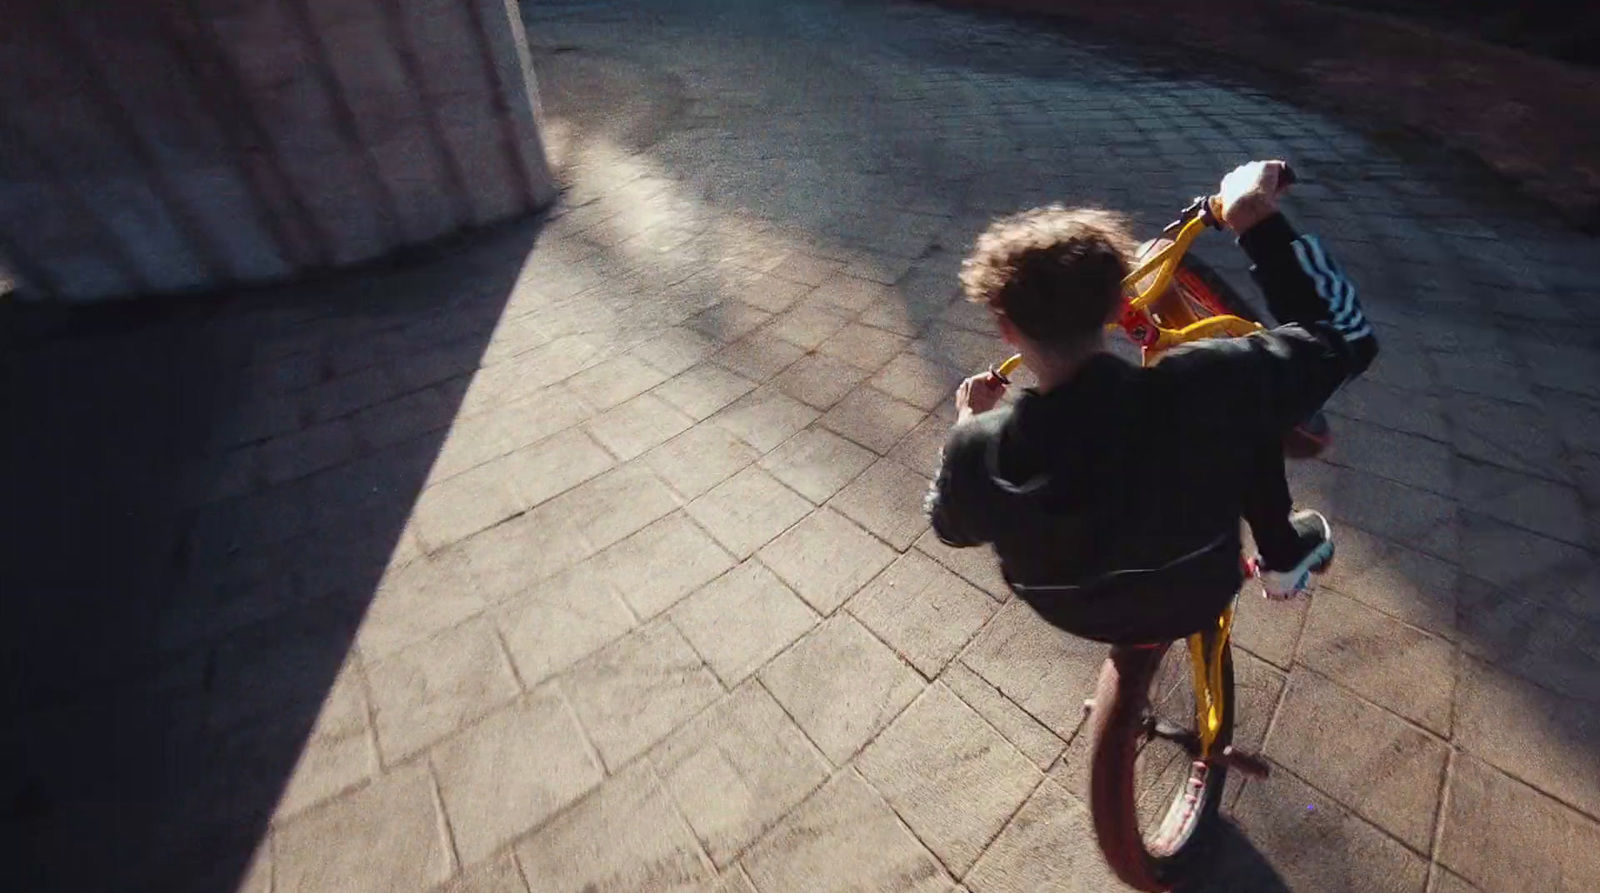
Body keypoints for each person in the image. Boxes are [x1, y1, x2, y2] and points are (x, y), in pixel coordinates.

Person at [925, 161, 1377, 641]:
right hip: (1201, 584)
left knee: (1235, 396)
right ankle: (1280, 552)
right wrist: (1254, 217)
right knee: (1243, 400)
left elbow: (949, 527)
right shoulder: (1210, 381)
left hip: (1070, 610)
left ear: (1007, 328)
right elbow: (1349, 336)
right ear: (1117, 305)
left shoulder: (979, 448)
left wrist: (968, 420)